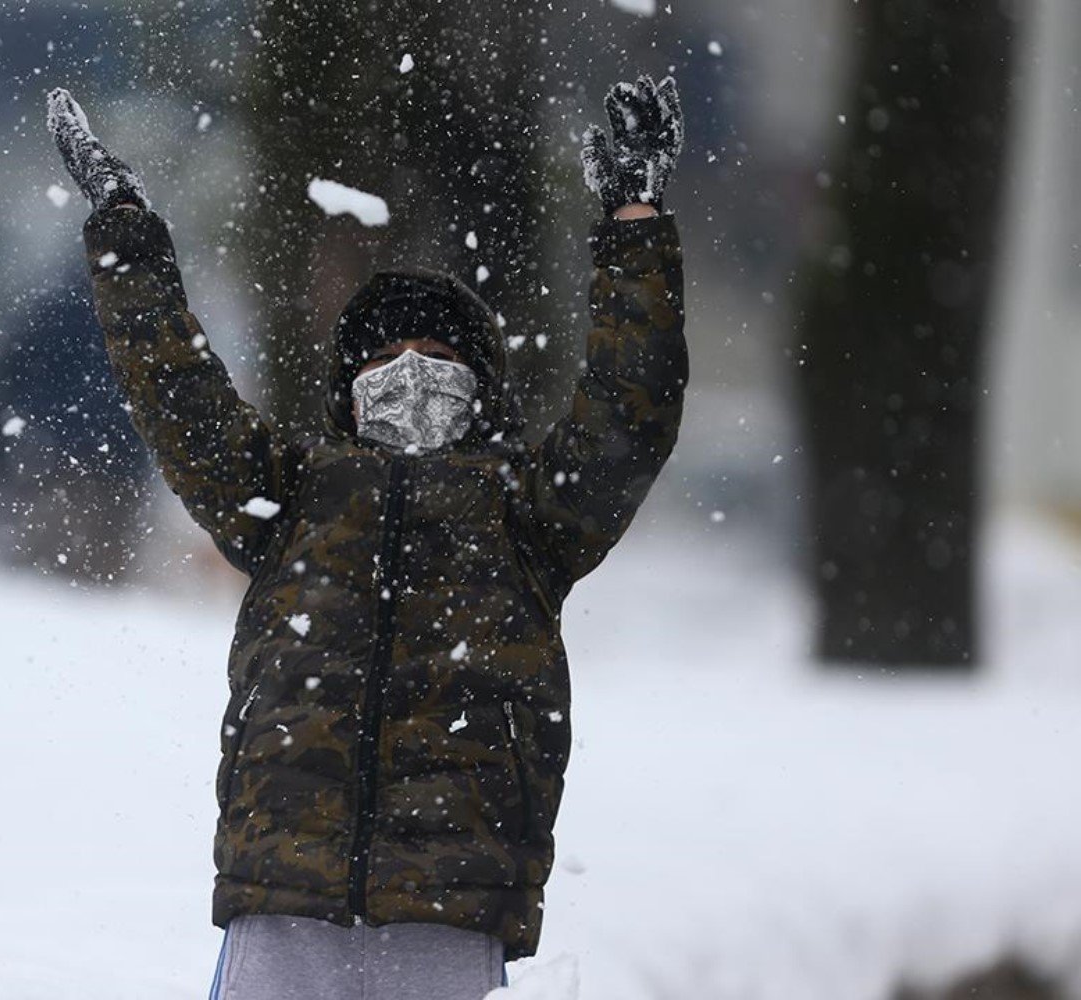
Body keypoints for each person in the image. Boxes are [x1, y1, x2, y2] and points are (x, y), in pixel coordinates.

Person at [46, 75, 687, 999]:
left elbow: (632, 409)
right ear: (347, 392)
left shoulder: (528, 514)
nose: (410, 374)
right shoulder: (288, 494)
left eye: (437, 357)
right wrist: (126, 237)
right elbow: (180, 397)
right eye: (384, 358)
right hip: (286, 898)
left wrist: (633, 222)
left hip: (451, 904)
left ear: (483, 387)